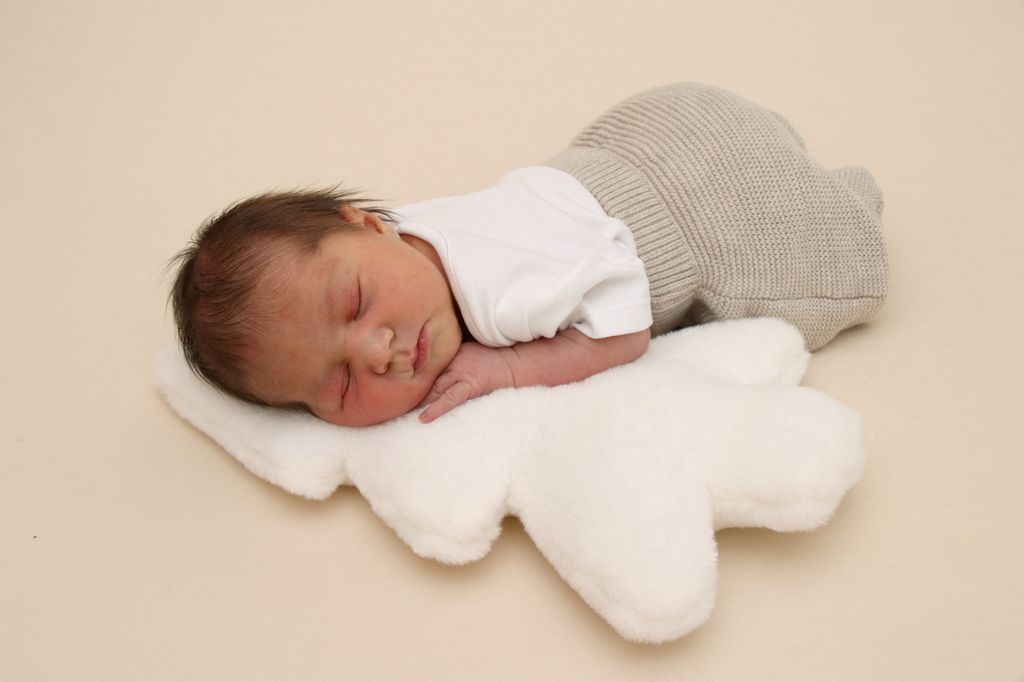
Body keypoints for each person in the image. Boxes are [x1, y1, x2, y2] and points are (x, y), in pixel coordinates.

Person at [169, 82, 888, 427]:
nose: (377, 352)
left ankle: (846, 198)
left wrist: (508, 369)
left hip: (702, 224)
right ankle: (774, 136)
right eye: (338, 385)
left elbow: (626, 329)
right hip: (656, 130)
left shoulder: (500, 299)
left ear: (364, 222)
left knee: (819, 279)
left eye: (355, 306)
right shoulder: (396, 236)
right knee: (767, 140)